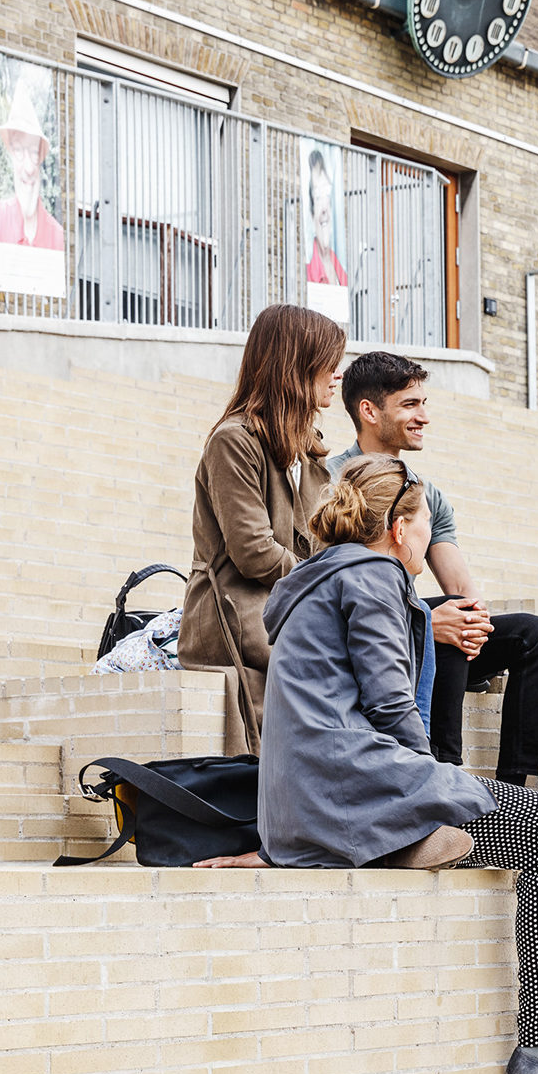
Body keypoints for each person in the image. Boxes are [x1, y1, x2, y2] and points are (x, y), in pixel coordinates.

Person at [196, 457, 538, 1074]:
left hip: (306, 805)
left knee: (518, 828)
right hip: (354, 784)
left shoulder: (317, 580)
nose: (431, 534)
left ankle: (413, 843)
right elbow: (391, 703)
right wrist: (434, 787)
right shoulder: (372, 576)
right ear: (399, 528)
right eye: (426, 521)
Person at [327, 351, 538, 787]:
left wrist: (460, 619)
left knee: (530, 633)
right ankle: (441, 773)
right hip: (364, 634)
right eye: (411, 405)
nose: (424, 417)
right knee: (445, 619)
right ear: (370, 411)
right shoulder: (330, 481)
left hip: (414, 630)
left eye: (424, 403)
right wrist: (428, 622)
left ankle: (512, 788)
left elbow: (465, 594)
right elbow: (332, 592)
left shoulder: (426, 495)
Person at [180, 304, 345, 755]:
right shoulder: (233, 441)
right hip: (241, 615)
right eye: (330, 363)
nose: (338, 375)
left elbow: (323, 545)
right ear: (296, 365)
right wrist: (329, 579)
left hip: (289, 613)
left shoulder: (308, 455)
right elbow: (254, 553)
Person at [0, 90, 65, 251]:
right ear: (10, 154)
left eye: (33, 152)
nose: (29, 168)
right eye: (19, 151)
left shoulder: (57, 235)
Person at [305, 148, 348, 286]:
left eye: (327, 195)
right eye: (317, 197)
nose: (324, 209)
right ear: (311, 214)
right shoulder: (309, 270)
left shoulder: (341, 270)